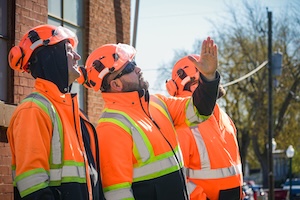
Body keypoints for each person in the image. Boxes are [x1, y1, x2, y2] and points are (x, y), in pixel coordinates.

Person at [79, 37, 220, 200]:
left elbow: (199, 111)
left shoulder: (158, 102)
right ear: (116, 85)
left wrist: (209, 79)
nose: (138, 69)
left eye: (134, 63)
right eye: (130, 67)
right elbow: (117, 193)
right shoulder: (111, 127)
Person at [7, 24, 104, 200]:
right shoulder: (33, 110)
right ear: (50, 57)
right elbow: (33, 187)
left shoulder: (76, 114)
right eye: (68, 50)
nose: (78, 56)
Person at [165, 54, 243, 200]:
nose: (215, 82)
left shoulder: (224, 117)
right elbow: (177, 177)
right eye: (208, 77)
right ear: (194, 84)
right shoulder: (181, 125)